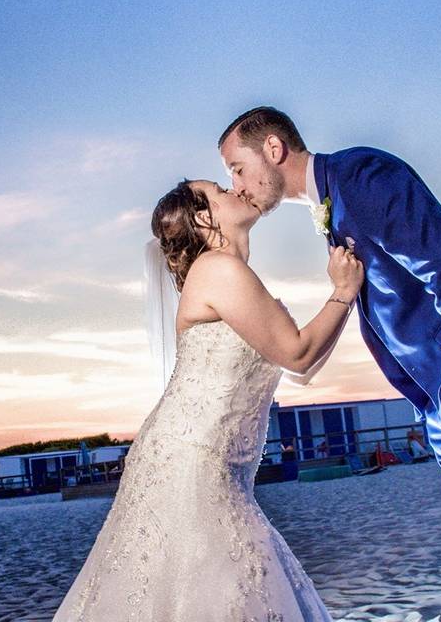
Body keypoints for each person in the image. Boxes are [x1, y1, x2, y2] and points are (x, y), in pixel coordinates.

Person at [219, 106, 441, 622]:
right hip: (439, 396)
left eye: (237, 167)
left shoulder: (363, 175)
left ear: (273, 150)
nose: (237, 184)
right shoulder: (332, 202)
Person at [51, 179, 364, 621]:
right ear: (202, 218)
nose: (235, 188)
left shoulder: (225, 273)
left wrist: (342, 299)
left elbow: (302, 367)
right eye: (219, 188)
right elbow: (297, 352)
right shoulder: (217, 268)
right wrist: (343, 292)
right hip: (193, 462)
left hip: (207, 463)